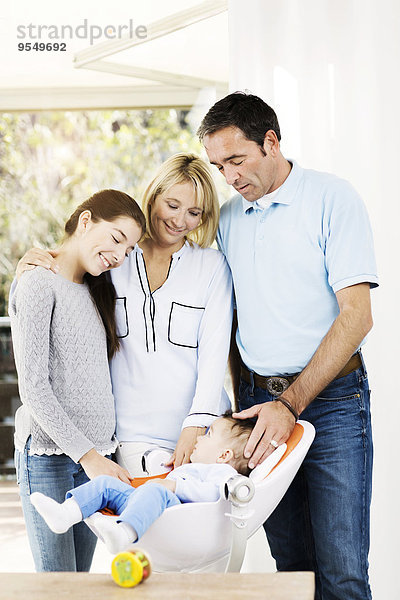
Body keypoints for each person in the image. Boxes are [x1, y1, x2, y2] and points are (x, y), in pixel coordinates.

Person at [197, 92, 378, 600]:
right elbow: (221, 315)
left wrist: (288, 404)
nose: (229, 177)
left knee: (342, 571)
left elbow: (357, 317)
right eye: (219, 166)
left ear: (271, 142)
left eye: (237, 159)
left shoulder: (332, 198)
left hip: (334, 403)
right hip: (258, 404)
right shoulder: (229, 220)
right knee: (292, 568)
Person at [16, 153, 233, 476]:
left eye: (194, 212)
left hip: (204, 435)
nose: (179, 220)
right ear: (154, 196)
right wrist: (29, 266)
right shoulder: (114, 260)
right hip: (131, 439)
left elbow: (215, 355)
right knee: (142, 523)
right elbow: (68, 275)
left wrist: (197, 424)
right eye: (172, 205)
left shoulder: (212, 266)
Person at [10, 189, 146, 572]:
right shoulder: (37, 283)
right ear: (86, 221)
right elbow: (33, 388)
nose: (119, 256)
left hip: (96, 459)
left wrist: (100, 457)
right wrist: (90, 457)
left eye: (129, 249)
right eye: (117, 239)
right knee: (58, 586)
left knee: (80, 582)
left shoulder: (97, 291)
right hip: (52, 459)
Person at [29, 413, 253, 554]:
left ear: (224, 455)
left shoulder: (221, 472)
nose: (199, 438)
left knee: (156, 490)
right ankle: (66, 513)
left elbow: (219, 492)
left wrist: (176, 486)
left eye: (208, 435)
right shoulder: (194, 467)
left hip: (174, 510)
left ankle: (123, 532)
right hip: (145, 500)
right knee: (106, 483)